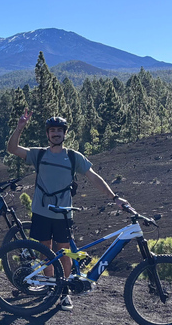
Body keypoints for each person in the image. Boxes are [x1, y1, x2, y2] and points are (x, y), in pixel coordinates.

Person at [7, 110, 129, 311]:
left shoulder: (73, 157)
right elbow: (12, 149)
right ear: (47, 134)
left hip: (63, 214)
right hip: (41, 212)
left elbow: (94, 177)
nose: (56, 134)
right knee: (46, 253)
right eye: (52, 130)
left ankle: (64, 292)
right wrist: (19, 128)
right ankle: (52, 289)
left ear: (64, 134)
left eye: (59, 131)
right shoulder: (39, 154)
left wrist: (114, 198)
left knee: (65, 255)